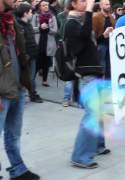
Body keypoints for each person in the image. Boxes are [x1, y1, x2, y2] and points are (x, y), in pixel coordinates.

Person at [65, 0, 110, 169]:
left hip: (93, 71)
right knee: (91, 115)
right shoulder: (71, 23)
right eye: (83, 1)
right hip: (86, 74)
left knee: (97, 112)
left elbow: (88, 43)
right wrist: (91, 9)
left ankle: (98, 145)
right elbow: (83, 37)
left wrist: (102, 36)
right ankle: (80, 156)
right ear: (73, 4)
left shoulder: (81, 21)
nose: (87, 3)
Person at [0, 0, 40, 179]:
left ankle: (18, 169)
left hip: (17, 87)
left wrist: (25, 84)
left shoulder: (11, 21)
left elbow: (21, 52)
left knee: (13, 135)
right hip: (2, 92)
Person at [15, 2, 43, 103]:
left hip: (32, 55)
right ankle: (31, 95)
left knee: (31, 78)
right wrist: (26, 56)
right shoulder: (19, 26)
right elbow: (21, 43)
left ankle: (31, 94)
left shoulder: (28, 24)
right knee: (28, 78)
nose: (32, 14)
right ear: (25, 13)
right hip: (27, 57)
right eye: (30, 12)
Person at [31, 0, 58, 87]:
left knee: (46, 62)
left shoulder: (52, 16)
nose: (46, 6)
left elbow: (55, 31)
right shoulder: (36, 16)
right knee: (37, 62)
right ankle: (32, 80)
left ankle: (45, 80)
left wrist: (48, 28)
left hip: (48, 42)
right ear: (40, 7)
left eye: (47, 5)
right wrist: (39, 27)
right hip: (38, 42)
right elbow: (32, 28)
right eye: (43, 5)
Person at [92, 0, 115, 78]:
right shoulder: (96, 17)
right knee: (101, 67)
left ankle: (108, 86)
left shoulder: (111, 17)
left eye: (109, 4)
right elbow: (93, 34)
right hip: (100, 44)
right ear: (101, 6)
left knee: (109, 67)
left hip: (110, 44)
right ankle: (99, 86)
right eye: (106, 4)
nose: (108, 6)